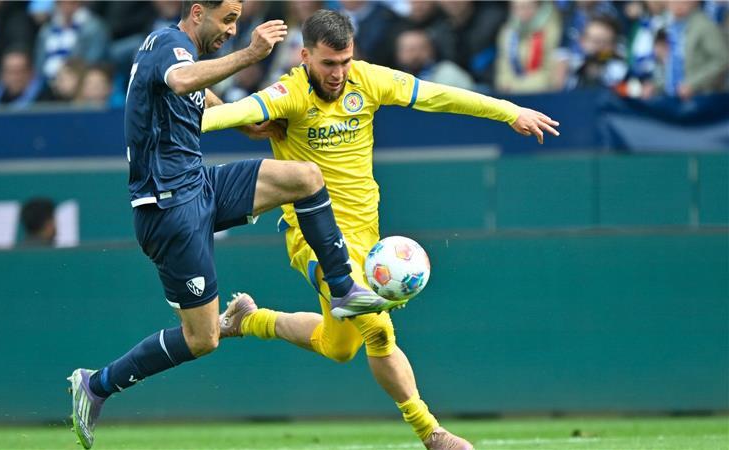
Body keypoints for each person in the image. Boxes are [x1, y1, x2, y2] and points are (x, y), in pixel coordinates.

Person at [202, 10, 559, 450]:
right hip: (313, 238)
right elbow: (237, 113)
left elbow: (438, 96)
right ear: (305, 56)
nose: (338, 73)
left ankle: (248, 319)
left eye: (345, 61)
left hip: (367, 239)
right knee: (376, 327)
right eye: (328, 64)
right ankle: (433, 432)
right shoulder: (290, 92)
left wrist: (510, 111)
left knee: (338, 347)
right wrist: (174, 122)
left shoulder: (368, 81)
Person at [67, 3, 401, 449]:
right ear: (198, 11)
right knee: (203, 339)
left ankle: (342, 287)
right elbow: (183, 81)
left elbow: (194, 94)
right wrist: (250, 54)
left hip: (199, 184)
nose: (232, 29)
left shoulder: (177, 50)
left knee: (305, 177)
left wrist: (247, 122)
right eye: (227, 20)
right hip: (168, 208)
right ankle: (97, 384)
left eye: (237, 21)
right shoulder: (171, 45)